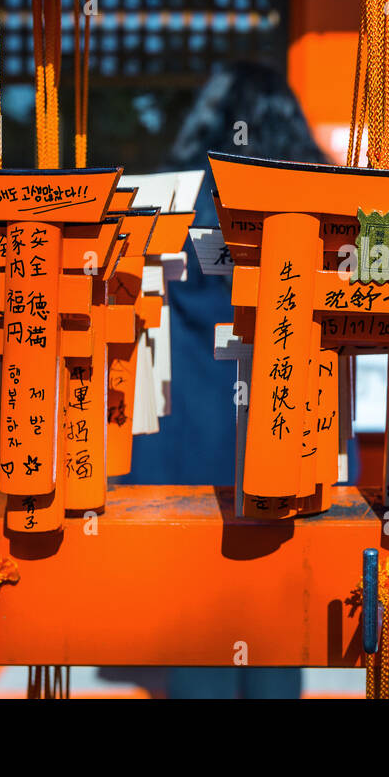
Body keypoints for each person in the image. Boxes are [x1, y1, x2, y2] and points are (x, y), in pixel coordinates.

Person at [134, 60, 326, 699]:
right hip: (285, 428)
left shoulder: (178, 200)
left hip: (192, 425)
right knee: (277, 612)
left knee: (200, 622)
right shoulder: (313, 203)